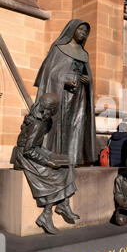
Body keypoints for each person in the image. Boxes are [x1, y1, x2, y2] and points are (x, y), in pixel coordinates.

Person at [11, 94, 79, 235]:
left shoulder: (44, 120)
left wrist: (52, 155)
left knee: (67, 166)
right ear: (51, 109)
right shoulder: (37, 123)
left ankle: (63, 205)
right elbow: (28, 150)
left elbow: (37, 146)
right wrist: (48, 161)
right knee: (53, 175)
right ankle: (46, 214)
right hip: (24, 156)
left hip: (34, 151)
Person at [34, 19, 97, 166]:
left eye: (85, 31)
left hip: (79, 96)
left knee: (77, 124)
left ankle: (73, 158)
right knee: (60, 124)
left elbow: (87, 74)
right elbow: (49, 74)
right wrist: (64, 81)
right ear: (72, 29)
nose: (83, 33)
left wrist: (89, 81)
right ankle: (56, 156)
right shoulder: (59, 48)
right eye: (80, 29)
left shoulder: (84, 54)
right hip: (62, 93)